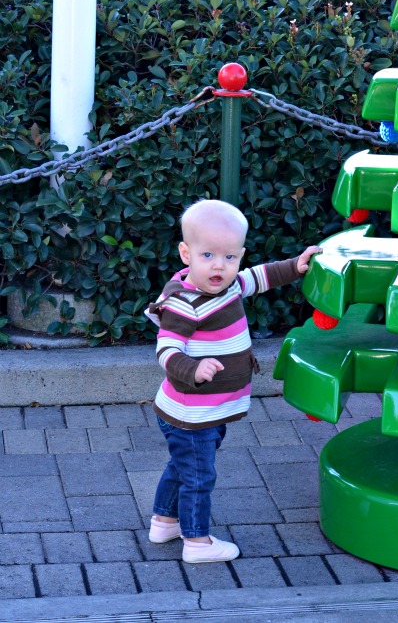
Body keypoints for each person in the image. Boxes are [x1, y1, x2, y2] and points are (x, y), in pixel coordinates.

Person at [145, 199, 320, 564]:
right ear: (185, 253)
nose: (218, 266)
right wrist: (191, 369)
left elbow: (260, 277)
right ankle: (196, 542)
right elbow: (166, 349)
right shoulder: (184, 303)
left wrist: (295, 266)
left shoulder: (228, 286)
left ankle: (164, 520)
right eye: (207, 254)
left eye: (229, 257)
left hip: (209, 409)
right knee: (199, 476)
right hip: (190, 412)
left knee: (184, 466)